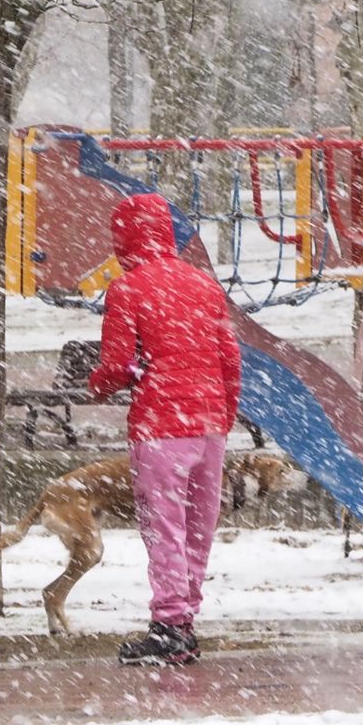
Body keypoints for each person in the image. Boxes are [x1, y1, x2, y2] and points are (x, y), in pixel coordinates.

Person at [88, 192, 242, 666]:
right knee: (198, 527)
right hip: (209, 425)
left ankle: (169, 625)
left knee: (165, 528)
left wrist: (98, 385)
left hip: (160, 425)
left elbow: (117, 367)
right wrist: (223, 413)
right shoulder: (205, 285)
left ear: (124, 239)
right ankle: (185, 622)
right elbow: (230, 359)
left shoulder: (127, 289)